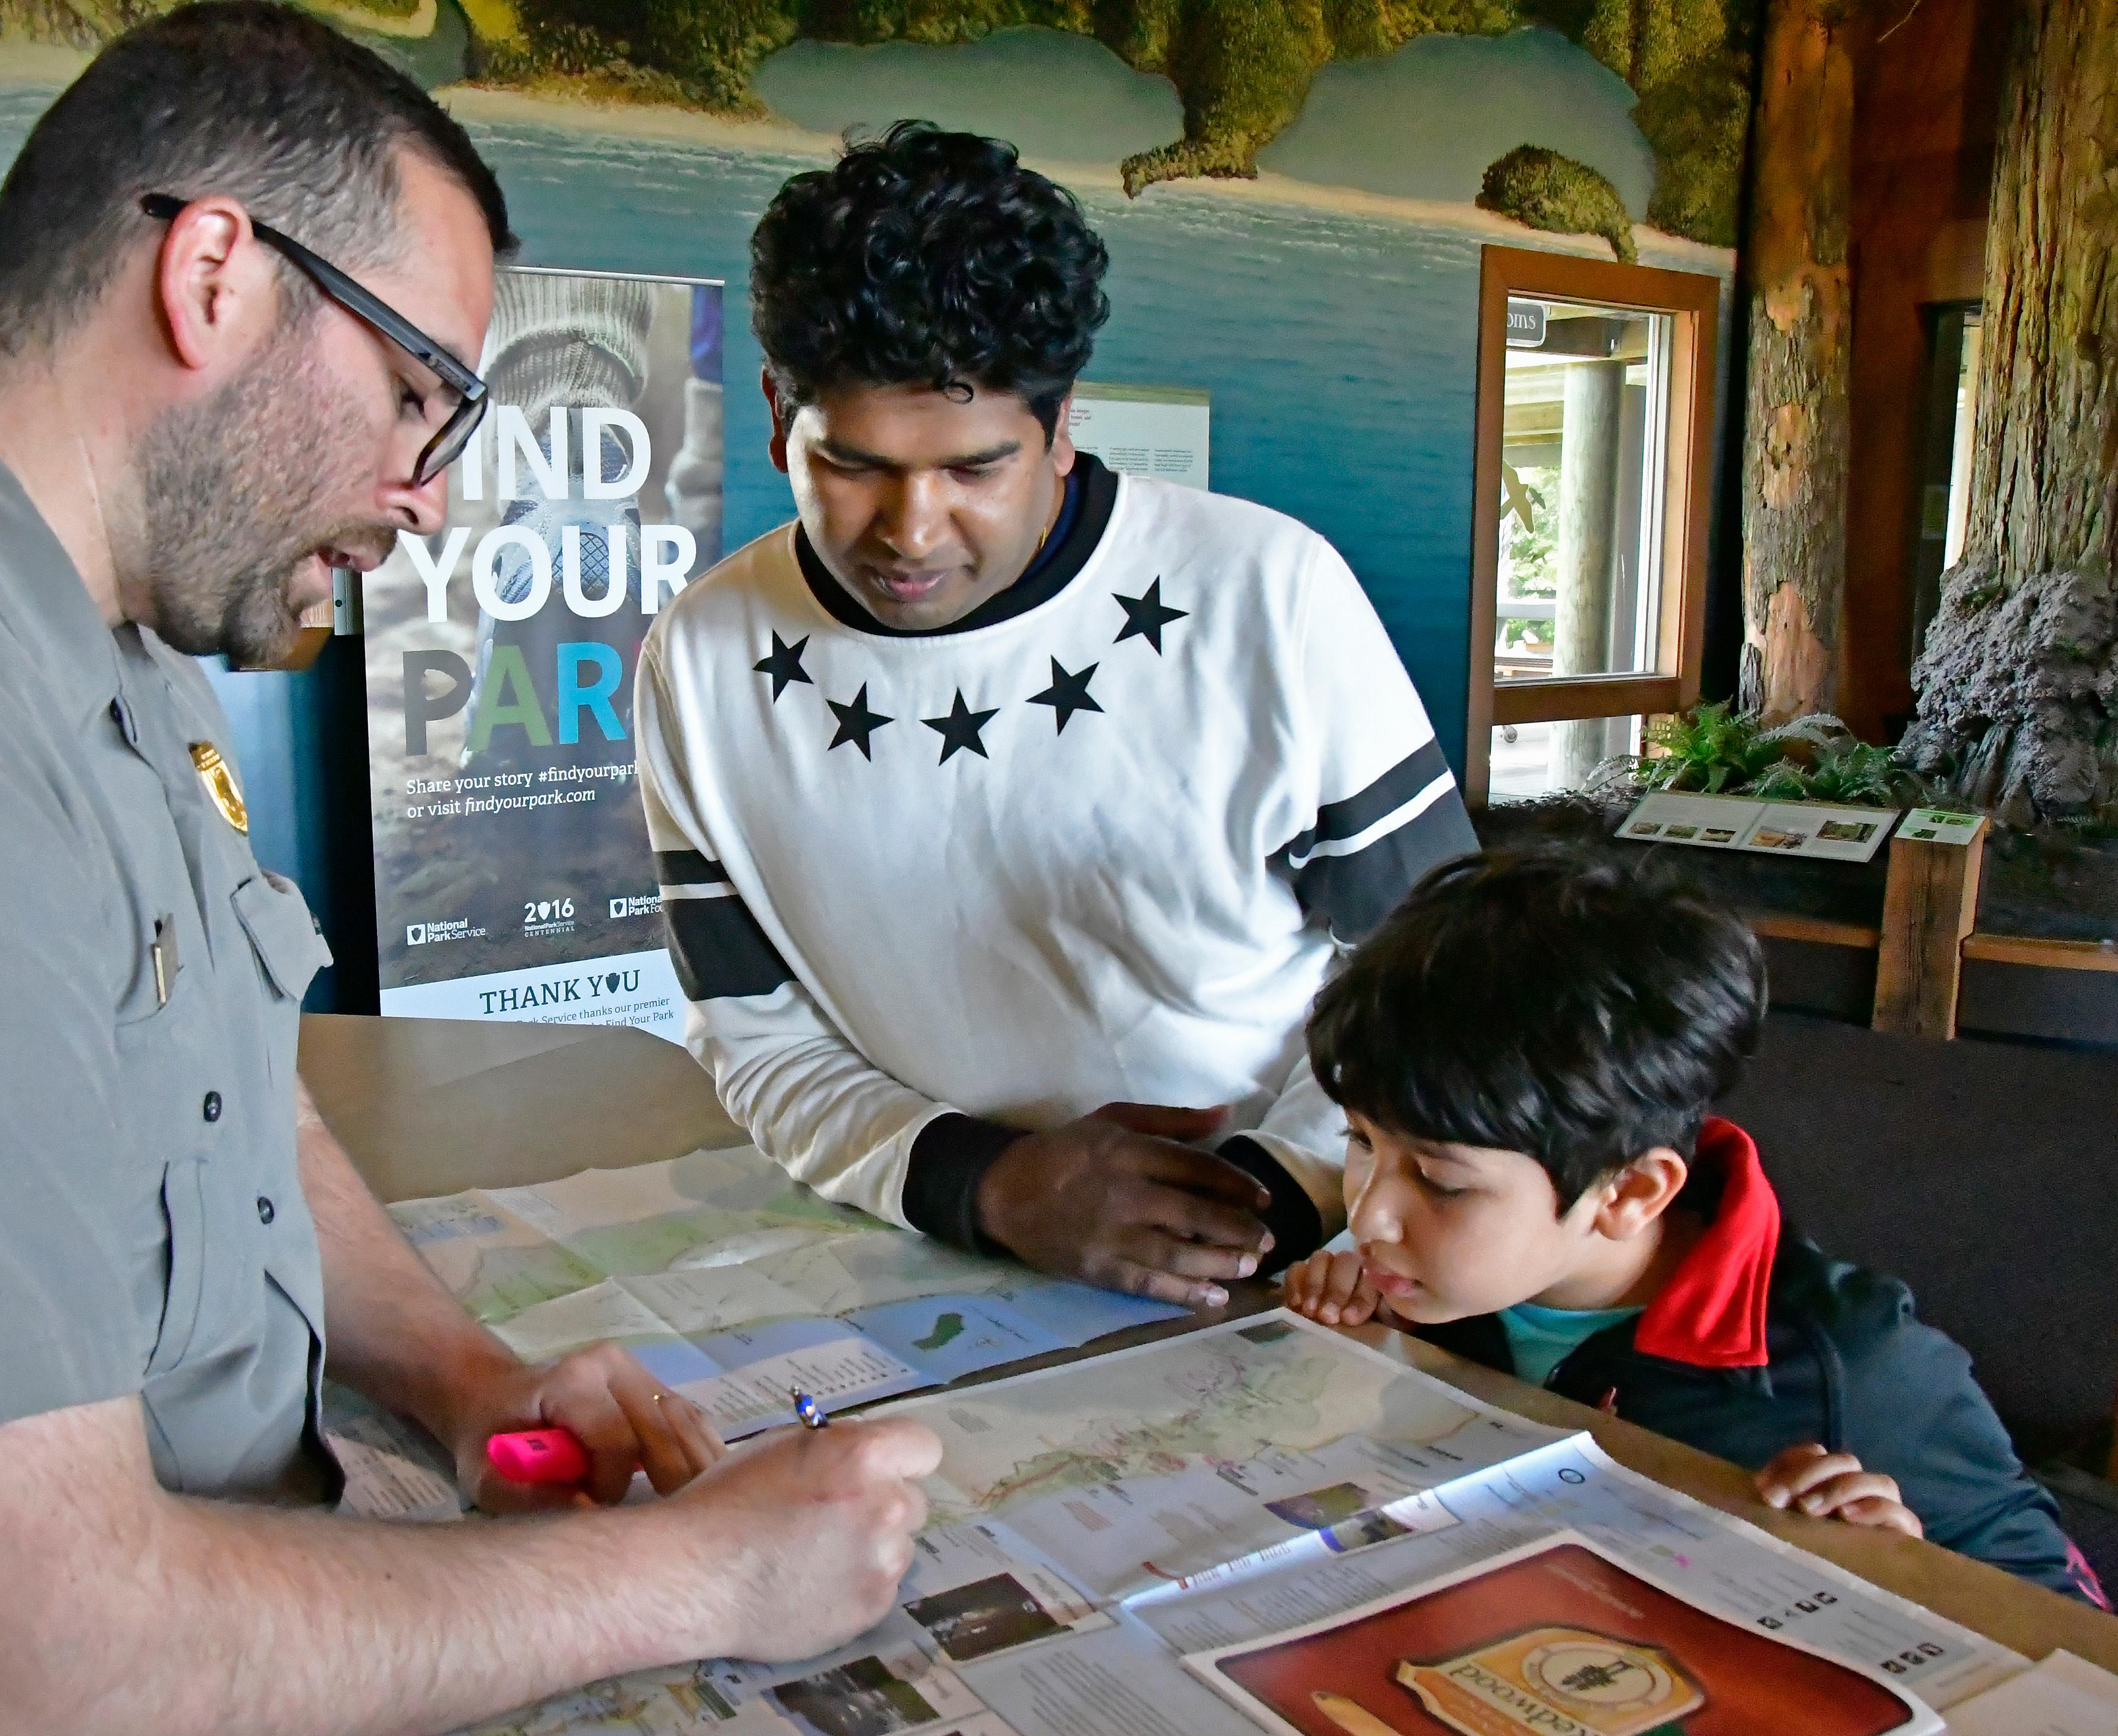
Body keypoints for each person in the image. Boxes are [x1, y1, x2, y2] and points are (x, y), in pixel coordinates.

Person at [0, 10, 939, 1736]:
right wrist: (699, 1573)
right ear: (217, 275)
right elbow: (45, 1651)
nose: (430, 495)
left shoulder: (69, 620)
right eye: (417, 393)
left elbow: (216, 1080)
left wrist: (464, 1377)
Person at [634, 124, 1476, 1309]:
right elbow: (752, 1032)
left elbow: (1448, 980)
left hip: (1279, 1264)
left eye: (974, 469)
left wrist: (1267, 1195)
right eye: (853, 465)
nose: (910, 530)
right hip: (921, 1254)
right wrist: (991, 1187)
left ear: (1063, 422)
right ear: (778, 414)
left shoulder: (1265, 592)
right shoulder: (701, 654)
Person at [1279, 848, 2105, 1607]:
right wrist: (1377, 1329)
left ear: (1631, 1192)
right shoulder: (1448, 1278)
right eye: (1359, 1141)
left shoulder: (1849, 1369)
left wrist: (1905, 1576)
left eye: (1436, 1181)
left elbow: (2068, 1622)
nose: (1369, 1213)